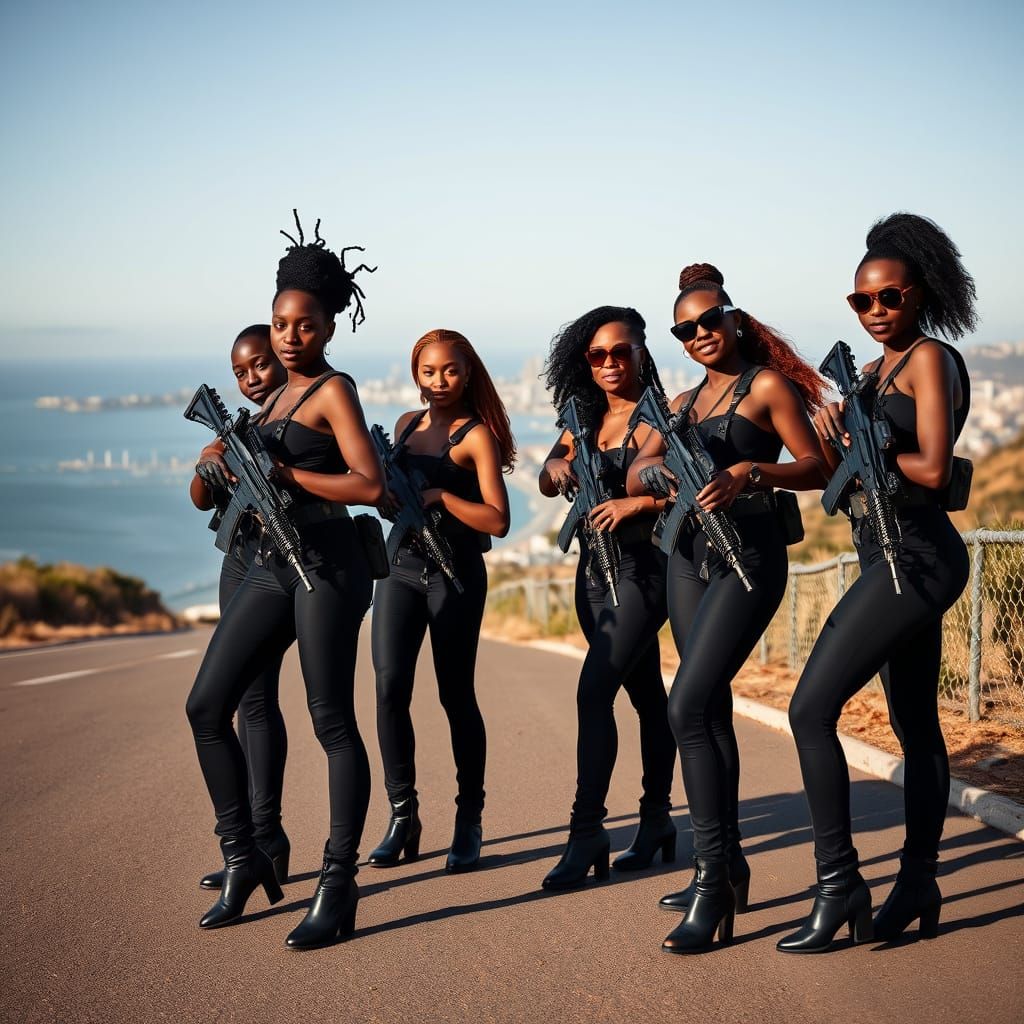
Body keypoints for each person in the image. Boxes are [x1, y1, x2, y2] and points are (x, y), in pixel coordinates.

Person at [185, 213, 384, 949]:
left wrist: (284, 471)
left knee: (332, 721)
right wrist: (219, 459)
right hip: (270, 564)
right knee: (208, 705)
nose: (290, 335)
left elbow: (367, 484)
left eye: (304, 323)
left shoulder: (335, 390)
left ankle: (339, 882)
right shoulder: (264, 402)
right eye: (279, 323)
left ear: (329, 325)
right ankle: (244, 856)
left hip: (328, 566)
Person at [778, 214, 976, 954]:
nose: (876, 312)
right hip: (881, 555)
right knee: (914, 725)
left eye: (889, 297)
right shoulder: (869, 373)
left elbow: (930, 467)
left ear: (919, 295)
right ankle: (919, 879)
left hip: (920, 556)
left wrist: (874, 447)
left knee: (809, 709)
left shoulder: (929, 359)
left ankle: (839, 885)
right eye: (862, 302)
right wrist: (835, 435)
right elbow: (839, 479)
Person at [627, 264, 826, 953]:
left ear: (735, 320)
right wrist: (657, 472)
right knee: (704, 709)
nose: (700, 334)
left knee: (685, 705)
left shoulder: (763, 386)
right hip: (687, 557)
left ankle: (713, 884)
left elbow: (819, 465)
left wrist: (750, 471)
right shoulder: (679, 402)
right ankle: (724, 866)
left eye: (710, 320)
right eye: (685, 329)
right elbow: (637, 467)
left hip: (750, 555)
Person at [537, 306, 678, 891]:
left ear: (642, 353)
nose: (610, 363)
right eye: (597, 355)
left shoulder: (662, 419)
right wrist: (555, 467)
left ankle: (586, 831)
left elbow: (674, 486)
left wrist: (636, 504)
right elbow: (549, 475)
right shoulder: (585, 416)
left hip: (645, 575)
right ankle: (655, 822)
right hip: (591, 576)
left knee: (593, 692)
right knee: (645, 696)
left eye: (621, 352)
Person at [369, 329, 514, 874]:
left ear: (468, 371)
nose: (438, 381)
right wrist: (390, 497)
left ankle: (468, 819)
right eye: (428, 371)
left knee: (455, 695)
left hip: (453, 575)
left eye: (450, 371)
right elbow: (383, 497)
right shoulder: (405, 426)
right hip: (400, 570)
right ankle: (403, 817)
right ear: (415, 374)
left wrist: (441, 497)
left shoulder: (477, 436)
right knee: (388, 690)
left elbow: (497, 520)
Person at [189, 325, 291, 892]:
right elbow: (200, 498)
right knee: (245, 697)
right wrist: (209, 456)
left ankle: (265, 833)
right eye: (241, 371)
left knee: (259, 699)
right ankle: (255, 842)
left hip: (275, 566)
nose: (251, 378)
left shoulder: (291, 423)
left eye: (260, 365)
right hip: (238, 560)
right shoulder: (239, 429)